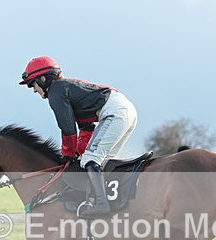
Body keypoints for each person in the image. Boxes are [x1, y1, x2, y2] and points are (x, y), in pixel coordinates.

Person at [19, 56, 137, 216]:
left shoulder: (56, 92)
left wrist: (67, 155)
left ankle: (102, 204)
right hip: (124, 110)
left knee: (91, 159)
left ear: (43, 79)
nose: (33, 90)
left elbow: (68, 129)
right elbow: (86, 128)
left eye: (32, 84)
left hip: (115, 113)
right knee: (99, 161)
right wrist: (77, 153)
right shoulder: (65, 89)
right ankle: (108, 200)